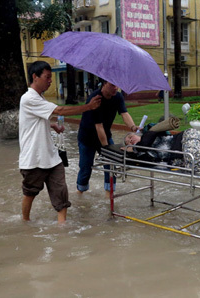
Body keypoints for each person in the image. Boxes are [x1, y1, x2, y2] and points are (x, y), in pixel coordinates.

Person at [19, 61, 101, 224]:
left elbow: (32, 122)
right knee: (30, 193)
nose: (50, 81)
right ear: (35, 77)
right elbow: (60, 110)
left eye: (51, 77)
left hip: (51, 157)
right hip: (34, 158)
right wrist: (88, 107)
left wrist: (51, 125)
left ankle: (62, 227)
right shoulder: (29, 98)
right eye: (47, 77)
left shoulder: (38, 98)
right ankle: (25, 222)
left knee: (61, 193)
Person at [76, 80, 140, 198]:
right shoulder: (95, 99)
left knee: (111, 165)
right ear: (104, 84)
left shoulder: (118, 97)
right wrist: (107, 149)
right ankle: (80, 192)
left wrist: (133, 126)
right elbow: (99, 127)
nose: (116, 88)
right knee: (86, 167)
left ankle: (109, 195)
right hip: (87, 138)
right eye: (112, 85)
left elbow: (124, 114)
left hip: (105, 134)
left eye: (117, 85)